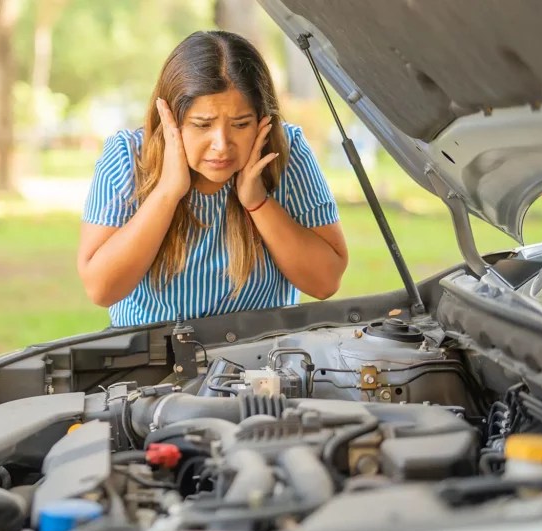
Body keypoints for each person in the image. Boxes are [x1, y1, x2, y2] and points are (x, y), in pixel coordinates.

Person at [77, 30, 349, 328]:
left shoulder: (287, 150)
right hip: (155, 361)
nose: (221, 144)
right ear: (170, 119)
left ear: (263, 119)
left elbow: (325, 281)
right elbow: (102, 289)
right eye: (202, 124)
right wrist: (167, 192)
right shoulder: (128, 156)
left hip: (263, 357)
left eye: (241, 124)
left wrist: (258, 202)